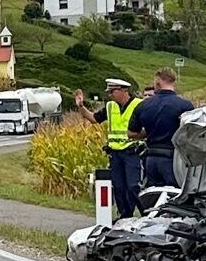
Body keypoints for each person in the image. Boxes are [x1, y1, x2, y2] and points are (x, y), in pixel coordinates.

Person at [74, 78, 142, 216]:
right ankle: (124, 215)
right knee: (118, 187)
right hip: (115, 154)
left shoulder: (139, 105)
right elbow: (93, 119)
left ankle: (142, 214)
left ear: (123, 90)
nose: (110, 95)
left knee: (133, 186)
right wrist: (81, 106)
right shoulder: (111, 106)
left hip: (132, 152)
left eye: (112, 91)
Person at [129, 68, 196, 191]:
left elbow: (131, 133)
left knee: (154, 196)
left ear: (158, 81)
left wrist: (147, 132)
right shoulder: (185, 106)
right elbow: (191, 132)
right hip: (174, 158)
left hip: (151, 158)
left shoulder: (143, 105)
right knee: (175, 195)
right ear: (173, 81)